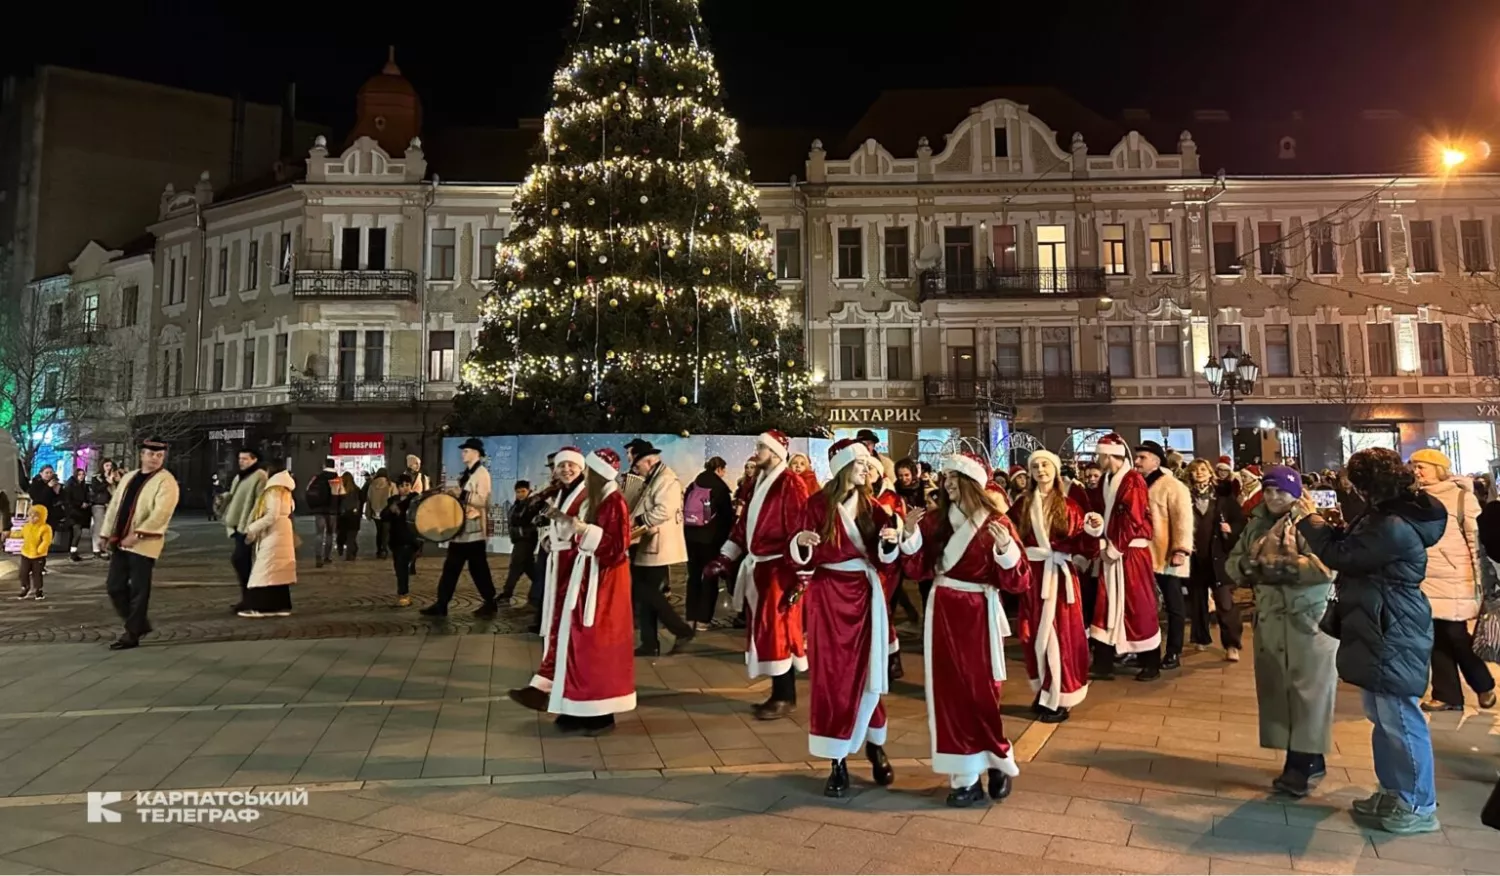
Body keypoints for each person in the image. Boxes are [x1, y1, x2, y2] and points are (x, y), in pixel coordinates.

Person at [1297, 447, 1444, 835]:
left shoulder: (1392, 522)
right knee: (1382, 715)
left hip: (1392, 624)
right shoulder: (1388, 511)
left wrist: (1310, 520)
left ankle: (1419, 804)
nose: (1355, 491)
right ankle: (1393, 791)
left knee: (1400, 716)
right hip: (1378, 619)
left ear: (1370, 485)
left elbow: (1344, 555)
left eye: (1358, 484)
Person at [898, 451, 1030, 807]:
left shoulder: (997, 522)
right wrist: (909, 535)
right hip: (943, 610)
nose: (949, 484)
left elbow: (1019, 582)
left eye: (956, 478)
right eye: (947, 478)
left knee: (981, 693)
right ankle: (965, 779)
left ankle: (997, 758)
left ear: (973, 483)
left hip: (978, 612)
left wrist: (1006, 550)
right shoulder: (935, 521)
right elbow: (917, 570)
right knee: (948, 693)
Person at [791, 439, 899, 797]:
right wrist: (801, 543)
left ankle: (875, 744)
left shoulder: (874, 508)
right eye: (859, 463)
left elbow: (886, 560)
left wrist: (889, 543)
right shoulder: (816, 505)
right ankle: (837, 760)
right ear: (842, 468)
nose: (866, 469)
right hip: (828, 597)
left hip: (864, 596)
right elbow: (799, 556)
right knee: (832, 677)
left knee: (869, 672)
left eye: (868, 464)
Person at [1225, 465, 1337, 797]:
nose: (1273, 497)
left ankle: (1301, 766)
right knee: (1279, 691)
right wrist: (1250, 566)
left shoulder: (1312, 522)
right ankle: (1307, 759)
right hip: (1271, 620)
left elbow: (1325, 566)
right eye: (1269, 490)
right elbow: (1233, 562)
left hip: (1308, 620)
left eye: (1281, 491)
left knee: (1307, 695)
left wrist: (1272, 567)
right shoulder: (1256, 523)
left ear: (1295, 493)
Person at [509, 447, 636, 735]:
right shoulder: (594, 497)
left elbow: (617, 547)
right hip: (584, 577)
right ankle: (573, 707)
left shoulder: (613, 500)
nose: (582, 474)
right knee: (575, 641)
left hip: (601, 583)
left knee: (594, 645)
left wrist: (581, 531)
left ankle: (600, 713)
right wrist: (557, 537)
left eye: (586, 469)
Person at [702, 431, 810, 719]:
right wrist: (726, 556)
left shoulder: (790, 483)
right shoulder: (758, 482)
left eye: (761, 446)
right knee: (764, 630)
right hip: (760, 568)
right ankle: (779, 693)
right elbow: (744, 526)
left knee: (779, 630)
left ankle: (785, 696)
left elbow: (800, 528)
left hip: (779, 570)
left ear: (775, 452)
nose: (756, 450)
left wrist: (799, 575)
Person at [1011, 450, 1095, 723]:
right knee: (1033, 634)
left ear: (1056, 470)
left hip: (1059, 577)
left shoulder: (1069, 505)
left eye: (1045, 464)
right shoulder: (1022, 505)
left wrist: (1093, 531)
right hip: (1033, 577)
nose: (1040, 469)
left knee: (1060, 636)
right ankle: (1045, 690)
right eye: (1035, 466)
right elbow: (1010, 535)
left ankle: (1059, 696)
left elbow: (1085, 545)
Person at [1409, 448, 1496, 712]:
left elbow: (1475, 541)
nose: (1416, 472)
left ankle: (1483, 683)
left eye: (1421, 466)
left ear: (1438, 469)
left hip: (1456, 576)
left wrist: (1480, 580)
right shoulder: (1414, 498)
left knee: (1456, 635)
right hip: (1425, 576)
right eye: (1414, 467)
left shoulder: (1461, 497)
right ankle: (1446, 695)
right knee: (1435, 636)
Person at [1086, 433, 1162, 681]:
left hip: (1131, 554)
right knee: (1105, 604)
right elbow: (1101, 512)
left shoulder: (1133, 481)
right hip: (1114, 551)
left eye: (1099, 455)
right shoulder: (1107, 479)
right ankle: (1104, 661)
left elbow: (1134, 518)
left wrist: (1115, 547)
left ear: (1108, 455)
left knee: (1138, 606)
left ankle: (1151, 662)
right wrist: (1097, 529)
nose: (1097, 459)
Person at [100, 439, 180, 650]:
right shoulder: (129, 477)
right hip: (120, 540)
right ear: (142, 455)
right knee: (114, 586)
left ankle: (132, 632)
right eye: (151, 454)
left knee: (139, 589)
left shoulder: (166, 481)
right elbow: (115, 506)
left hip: (145, 544)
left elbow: (162, 513)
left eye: (159, 455)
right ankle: (139, 624)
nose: (155, 459)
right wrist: (106, 533)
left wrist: (138, 534)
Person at [624, 439, 694, 656]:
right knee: (645, 593)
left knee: (646, 590)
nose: (634, 468)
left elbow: (664, 510)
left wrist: (637, 521)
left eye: (636, 464)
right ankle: (649, 643)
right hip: (649, 544)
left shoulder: (666, 479)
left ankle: (680, 629)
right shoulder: (655, 478)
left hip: (658, 545)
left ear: (649, 461)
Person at [421, 438, 500, 618]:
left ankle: (488, 602)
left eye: (466, 451)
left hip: (473, 530)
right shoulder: (468, 473)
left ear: (476, 453)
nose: (462, 454)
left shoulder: (482, 474)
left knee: (475, 568)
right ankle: (443, 603)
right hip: (462, 528)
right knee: (455, 567)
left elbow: (483, 501)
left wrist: (461, 493)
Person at [1136, 440, 1191, 672]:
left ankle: (1174, 651)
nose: (1137, 461)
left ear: (1156, 461)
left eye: (1142, 457)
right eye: (1137, 457)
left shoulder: (1172, 486)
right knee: (1145, 605)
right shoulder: (1137, 483)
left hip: (1166, 554)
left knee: (1173, 604)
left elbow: (1182, 519)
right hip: (1142, 555)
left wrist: (1180, 549)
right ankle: (1145, 650)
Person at [1184, 457, 1244, 661]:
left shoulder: (1223, 497)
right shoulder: (1185, 497)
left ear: (1210, 473)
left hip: (1219, 557)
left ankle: (1232, 644)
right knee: (1198, 600)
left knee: (1225, 603)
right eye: (1195, 470)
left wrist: (1231, 529)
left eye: (1203, 469)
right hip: (1195, 557)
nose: (1199, 473)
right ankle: (1201, 637)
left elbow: (1240, 521)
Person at [684, 457, 734, 630]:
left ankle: (690, 617)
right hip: (711, 540)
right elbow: (727, 518)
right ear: (719, 469)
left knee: (693, 577)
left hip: (691, 537)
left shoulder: (693, 485)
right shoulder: (720, 488)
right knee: (710, 578)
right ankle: (703, 620)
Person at [240, 465, 297, 618]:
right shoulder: (285, 489)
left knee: (263, 570)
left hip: (274, 534)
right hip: (283, 532)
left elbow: (272, 515)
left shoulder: (273, 490)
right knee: (278, 572)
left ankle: (259, 607)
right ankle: (281, 605)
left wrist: (252, 528)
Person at [221, 449, 268, 613]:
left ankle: (251, 598)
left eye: (245, 459)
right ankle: (247, 598)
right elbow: (234, 496)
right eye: (240, 458)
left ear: (254, 459)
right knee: (242, 561)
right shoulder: (239, 476)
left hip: (246, 525)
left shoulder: (260, 476)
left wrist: (251, 526)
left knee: (240, 559)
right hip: (237, 523)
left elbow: (259, 502)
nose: (241, 461)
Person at [501, 480, 542, 603]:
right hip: (519, 538)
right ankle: (543, 587)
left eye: (523, 491)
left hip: (526, 539)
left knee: (515, 565)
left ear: (529, 491)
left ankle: (507, 593)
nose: (520, 494)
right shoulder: (517, 505)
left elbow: (526, 520)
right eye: (518, 492)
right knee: (528, 567)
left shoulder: (532, 504)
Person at [382, 474, 420, 606]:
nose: (405, 488)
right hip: (396, 538)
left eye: (407, 485)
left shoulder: (414, 499)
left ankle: (404, 594)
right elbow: (384, 516)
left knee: (402, 566)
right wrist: (391, 510)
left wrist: (400, 512)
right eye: (402, 486)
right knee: (398, 567)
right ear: (398, 487)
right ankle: (402, 594)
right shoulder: (393, 500)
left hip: (409, 538)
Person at [305, 459, 341, 568]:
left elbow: (308, 490)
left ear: (324, 465)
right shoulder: (337, 479)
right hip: (332, 511)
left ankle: (318, 557)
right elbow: (342, 494)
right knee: (330, 534)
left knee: (319, 534)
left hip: (319, 509)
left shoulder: (317, 478)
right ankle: (327, 557)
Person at [16, 504, 50, 600]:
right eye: (30, 515)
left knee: (37, 574)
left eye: (35, 516)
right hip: (26, 553)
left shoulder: (45, 528)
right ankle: (25, 587)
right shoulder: (26, 526)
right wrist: (13, 534)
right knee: (23, 572)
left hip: (38, 555)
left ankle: (38, 590)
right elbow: (21, 534)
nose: (32, 518)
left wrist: (41, 549)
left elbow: (46, 540)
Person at [61, 468, 91, 562]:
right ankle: (73, 553)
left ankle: (72, 551)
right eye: (79, 474)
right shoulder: (70, 485)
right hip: (73, 512)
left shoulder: (83, 486)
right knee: (77, 532)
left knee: (75, 533)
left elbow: (86, 496)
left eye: (83, 474)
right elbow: (68, 499)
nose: (82, 476)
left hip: (80, 512)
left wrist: (86, 503)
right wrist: (80, 504)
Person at [89, 460, 117, 559]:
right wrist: (106, 482)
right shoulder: (96, 477)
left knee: (109, 527)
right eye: (107, 465)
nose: (109, 467)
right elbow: (96, 489)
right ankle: (96, 549)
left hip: (110, 504)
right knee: (98, 527)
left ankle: (105, 548)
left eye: (110, 465)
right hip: (99, 504)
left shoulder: (114, 476)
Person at [366, 468, 394, 559]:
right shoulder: (391, 485)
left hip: (376, 512)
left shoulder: (372, 485)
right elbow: (395, 498)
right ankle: (384, 550)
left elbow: (369, 499)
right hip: (387, 512)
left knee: (379, 531)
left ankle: (378, 550)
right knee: (386, 532)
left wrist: (369, 511)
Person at [336, 471, 363, 560]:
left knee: (342, 535)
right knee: (351, 537)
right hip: (354, 516)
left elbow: (336, 503)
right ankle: (350, 554)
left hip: (343, 517)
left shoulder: (340, 490)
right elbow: (361, 501)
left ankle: (344, 549)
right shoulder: (357, 490)